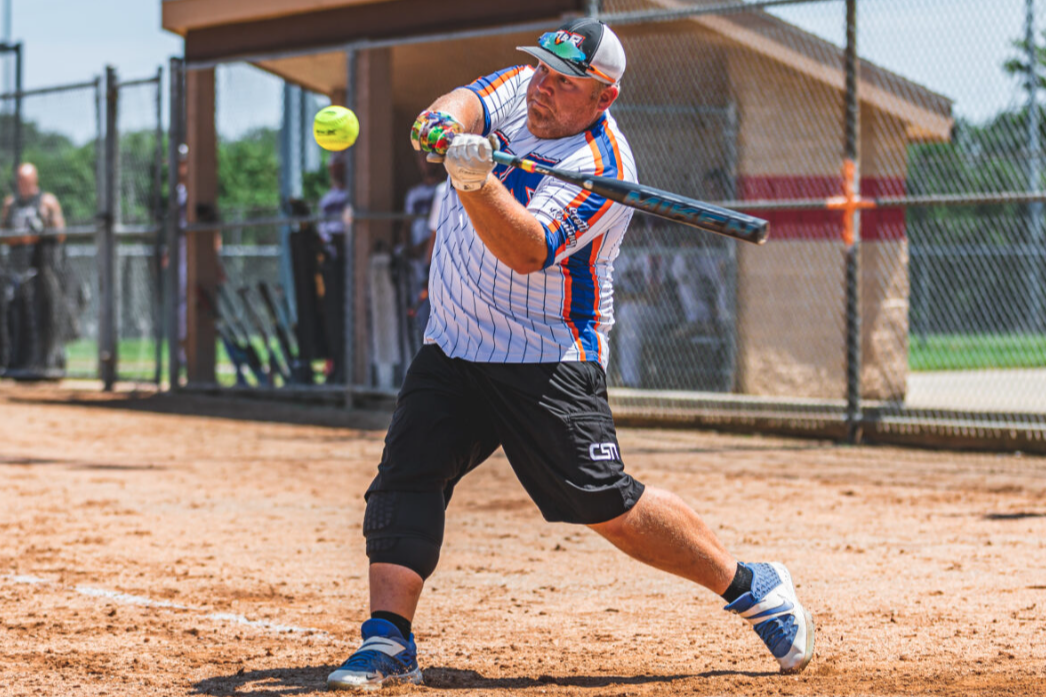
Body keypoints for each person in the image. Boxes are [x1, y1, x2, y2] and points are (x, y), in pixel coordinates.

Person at [326, 18, 815, 691]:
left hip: (546, 354)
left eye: (564, 82)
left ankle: (751, 584)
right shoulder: (519, 91)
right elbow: (455, 107)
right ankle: (388, 639)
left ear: (603, 97)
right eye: (543, 72)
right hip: (456, 340)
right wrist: (440, 129)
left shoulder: (603, 168)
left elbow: (525, 249)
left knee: (603, 503)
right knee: (406, 477)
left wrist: (475, 181)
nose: (543, 89)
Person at [0, 162, 67, 374]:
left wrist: (44, 226)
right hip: (16, 268)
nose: (22, 184)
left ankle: (45, 364)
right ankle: (14, 363)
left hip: (42, 269)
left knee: (44, 316)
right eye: (19, 180)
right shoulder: (10, 203)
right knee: (14, 315)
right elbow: (3, 234)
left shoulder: (47, 201)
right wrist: (22, 238)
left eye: (26, 180)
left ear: (35, 180)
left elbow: (61, 234)